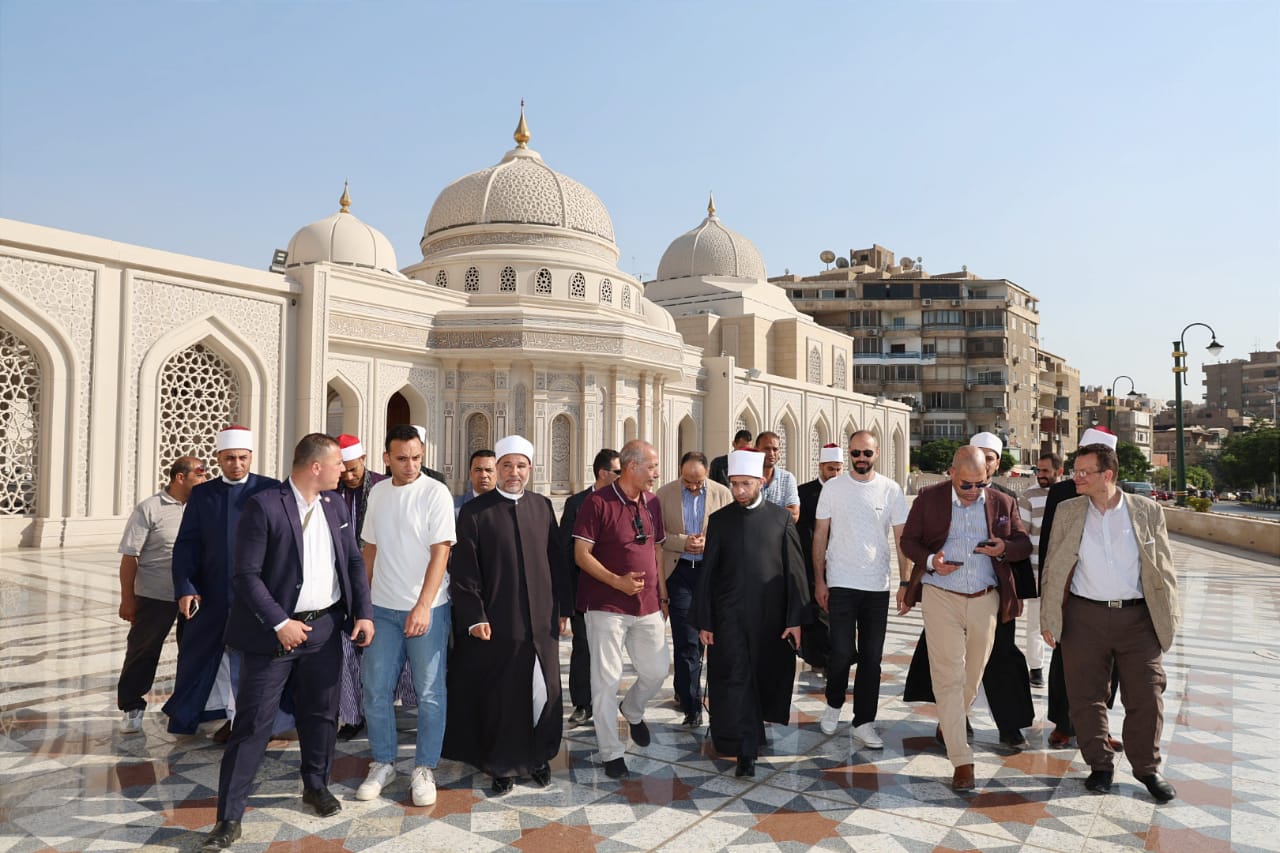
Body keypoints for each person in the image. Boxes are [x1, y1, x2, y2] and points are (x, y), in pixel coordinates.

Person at [199, 434, 374, 851]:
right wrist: (280, 622)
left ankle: (316, 785)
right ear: (315, 467)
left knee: (321, 715)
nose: (343, 470)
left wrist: (363, 612)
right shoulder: (264, 506)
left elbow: (352, 560)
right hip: (272, 636)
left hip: (325, 630)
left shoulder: (335, 505)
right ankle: (229, 818)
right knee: (252, 725)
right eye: (337, 464)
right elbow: (246, 576)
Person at [1041, 442, 1179, 804]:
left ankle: (1147, 768)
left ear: (1108, 474)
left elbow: (1164, 567)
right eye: (1075, 470)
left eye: (1084, 472)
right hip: (1083, 616)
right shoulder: (1068, 510)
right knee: (1085, 696)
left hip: (1138, 618)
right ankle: (1100, 765)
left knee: (1148, 695)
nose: (1076, 477)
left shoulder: (1146, 510)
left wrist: (1170, 616)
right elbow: (1053, 565)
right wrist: (1049, 616)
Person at [444, 435, 571, 794]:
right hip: (499, 622)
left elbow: (556, 561)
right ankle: (501, 764)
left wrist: (562, 609)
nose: (514, 472)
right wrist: (475, 616)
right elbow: (465, 572)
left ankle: (538, 756)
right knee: (503, 695)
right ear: (498, 469)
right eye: (507, 466)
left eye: (521, 466)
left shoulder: (542, 507)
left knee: (542, 690)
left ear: (530, 469)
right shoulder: (475, 512)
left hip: (541, 621)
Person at [899, 446, 1031, 792]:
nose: (974, 491)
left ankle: (950, 721)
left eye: (980, 484)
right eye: (966, 485)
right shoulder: (929, 499)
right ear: (952, 473)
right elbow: (909, 541)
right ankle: (962, 759)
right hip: (941, 595)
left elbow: (1022, 544)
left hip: (985, 599)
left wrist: (1004, 549)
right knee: (948, 677)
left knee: (972, 676)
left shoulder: (1002, 502)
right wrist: (931, 561)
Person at [355, 425, 456, 807]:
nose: (411, 465)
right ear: (386, 459)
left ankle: (424, 767)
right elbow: (369, 550)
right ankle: (383, 762)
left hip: (427, 609)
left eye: (416, 457)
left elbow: (441, 552)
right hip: (382, 610)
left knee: (430, 693)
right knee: (376, 690)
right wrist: (363, 605)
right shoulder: (378, 493)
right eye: (402, 458)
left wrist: (423, 606)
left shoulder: (436, 492)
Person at [692, 449, 809, 777]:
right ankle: (746, 750)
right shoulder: (720, 520)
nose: (739, 490)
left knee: (762, 676)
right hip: (728, 617)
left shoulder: (781, 518)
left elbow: (795, 572)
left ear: (761, 482)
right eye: (734, 484)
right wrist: (705, 620)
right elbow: (708, 574)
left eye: (746, 484)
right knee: (736, 677)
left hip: (770, 620)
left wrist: (795, 619)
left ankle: (752, 733)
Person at [164, 426, 280, 738]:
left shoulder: (270, 489)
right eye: (229, 458)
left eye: (242, 458)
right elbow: (187, 544)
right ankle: (209, 714)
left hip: (258, 594)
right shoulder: (203, 494)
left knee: (254, 661)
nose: (236, 464)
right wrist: (186, 587)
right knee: (201, 656)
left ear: (251, 457)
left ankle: (249, 721)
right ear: (218, 458)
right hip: (212, 593)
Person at [572, 439, 670, 779]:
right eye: (651, 467)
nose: (656, 473)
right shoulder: (597, 502)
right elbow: (580, 555)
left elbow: (657, 551)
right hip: (606, 605)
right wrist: (618, 582)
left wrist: (662, 595)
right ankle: (611, 752)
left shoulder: (653, 503)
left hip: (648, 606)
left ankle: (632, 709)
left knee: (657, 670)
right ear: (631, 467)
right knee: (606, 680)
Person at [811, 431, 909, 748]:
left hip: (877, 586)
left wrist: (905, 582)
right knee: (840, 652)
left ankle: (864, 722)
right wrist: (820, 580)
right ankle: (834, 703)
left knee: (871, 658)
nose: (861, 458)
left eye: (867, 453)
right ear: (849, 454)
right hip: (840, 582)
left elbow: (901, 538)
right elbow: (820, 535)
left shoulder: (891, 489)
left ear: (877, 452)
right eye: (855, 453)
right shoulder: (833, 488)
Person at [1041, 427, 1123, 749]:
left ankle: (1100, 727)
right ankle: (1064, 725)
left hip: (1110, 598)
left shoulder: (1122, 498)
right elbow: (1049, 546)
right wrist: (1049, 597)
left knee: (1109, 668)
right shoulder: (1062, 493)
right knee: (1065, 661)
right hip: (1072, 593)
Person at [116, 455, 207, 733]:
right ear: (180, 477)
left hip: (194, 595)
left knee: (193, 652)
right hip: (155, 595)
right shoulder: (150, 508)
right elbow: (130, 556)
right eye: (200, 474)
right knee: (143, 651)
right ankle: (131, 706)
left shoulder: (203, 507)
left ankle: (188, 708)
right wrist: (128, 599)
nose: (205, 479)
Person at [656, 451, 732, 728]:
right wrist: (683, 542)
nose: (692, 486)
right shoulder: (664, 495)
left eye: (697, 482)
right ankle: (692, 706)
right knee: (686, 640)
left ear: (707, 474)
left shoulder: (723, 494)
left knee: (706, 639)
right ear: (680, 472)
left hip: (710, 575)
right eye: (687, 481)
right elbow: (658, 536)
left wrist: (707, 542)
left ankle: (689, 689)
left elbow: (730, 533)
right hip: (680, 574)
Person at [557, 448, 619, 727]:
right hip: (584, 589)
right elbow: (565, 549)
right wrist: (564, 598)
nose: (622, 476)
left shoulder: (625, 500)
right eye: (618, 471)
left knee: (610, 649)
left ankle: (606, 702)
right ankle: (582, 704)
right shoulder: (577, 503)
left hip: (616, 590)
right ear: (603, 473)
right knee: (583, 645)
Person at [334, 433, 388, 741]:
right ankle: (352, 716)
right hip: (342, 585)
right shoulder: (331, 490)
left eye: (354, 469)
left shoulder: (383, 487)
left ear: (364, 460)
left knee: (379, 652)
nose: (349, 476)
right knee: (346, 648)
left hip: (381, 582)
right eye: (343, 470)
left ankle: (381, 710)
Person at [795, 443, 843, 672]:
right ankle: (818, 659)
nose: (835, 474)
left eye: (838, 469)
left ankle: (837, 656)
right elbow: (801, 530)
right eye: (831, 469)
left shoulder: (847, 491)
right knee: (815, 610)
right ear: (821, 467)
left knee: (838, 611)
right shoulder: (804, 493)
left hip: (840, 562)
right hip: (810, 561)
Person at [1017, 451, 1062, 688]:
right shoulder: (1029, 497)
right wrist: (1026, 575)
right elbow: (1022, 537)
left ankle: (1063, 669)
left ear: (1059, 471)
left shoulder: (1072, 495)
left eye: (1045, 471)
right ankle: (1036, 669)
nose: (1040, 474)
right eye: (1038, 470)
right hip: (1036, 573)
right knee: (1035, 624)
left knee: (1066, 625)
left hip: (1066, 575)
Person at [756, 431, 800, 523]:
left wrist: (760, 513)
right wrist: (781, 512)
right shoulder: (748, 479)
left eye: (775, 449)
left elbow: (794, 515)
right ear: (756, 449)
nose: (771, 453)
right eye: (767, 449)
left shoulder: (787, 478)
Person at [454, 448, 496, 516]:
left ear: (498, 473)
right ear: (470, 473)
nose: (483, 475)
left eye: (488, 470)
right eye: (478, 470)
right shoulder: (455, 507)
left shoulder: (508, 505)